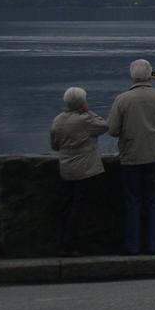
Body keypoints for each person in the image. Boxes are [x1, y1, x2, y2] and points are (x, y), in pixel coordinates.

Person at [106, 59, 155, 255]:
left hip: (131, 157)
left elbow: (112, 130)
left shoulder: (122, 99)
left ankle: (132, 246)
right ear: (150, 75)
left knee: (133, 201)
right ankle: (153, 246)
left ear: (132, 76)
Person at [49, 87, 109, 255]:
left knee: (66, 207)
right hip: (85, 170)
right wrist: (88, 111)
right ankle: (73, 244)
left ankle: (62, 243)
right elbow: (104, 126)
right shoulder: (85, 120)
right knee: (80, 209)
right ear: (82, 103)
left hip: (66, 169)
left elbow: (55, 145)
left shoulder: (57, 120)